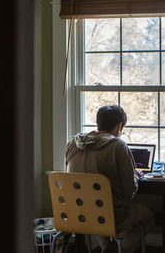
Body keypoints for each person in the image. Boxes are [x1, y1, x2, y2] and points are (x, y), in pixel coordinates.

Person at [65, 105, 154, 253]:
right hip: (109, 216)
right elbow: (129, 190)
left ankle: (107, 247)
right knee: (149, 215)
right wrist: (136, 175)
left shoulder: (72, 144)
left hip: (77, 213)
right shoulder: (117, 146)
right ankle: (121, 250)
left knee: (99, 206)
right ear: (119, 126)